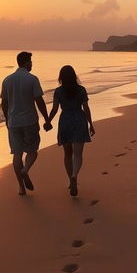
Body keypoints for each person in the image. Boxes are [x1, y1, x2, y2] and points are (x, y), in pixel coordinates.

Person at [0, 51, 52, 195]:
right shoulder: (32, 79)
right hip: (29, 120)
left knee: (17, 154)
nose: (31, 64)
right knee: (32, 150)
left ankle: (21, 188)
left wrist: (7, 119)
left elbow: (4, 103)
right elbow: (39, 101)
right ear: (26, 62)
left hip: (13, 122)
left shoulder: (7, 80)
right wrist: (47, 119)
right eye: (30, 61)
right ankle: (25, 170)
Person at [48, 65, 95, 197]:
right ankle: (75, 175)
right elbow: (86, 108)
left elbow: (55, 109)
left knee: (67, 154)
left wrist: (48, 121)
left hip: (65, 120)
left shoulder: (58, 91)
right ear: (74, 76)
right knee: (78, 154)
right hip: (79, 119)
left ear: (61, 77)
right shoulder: (81, 90)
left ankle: (70, 180)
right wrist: (91, 124)